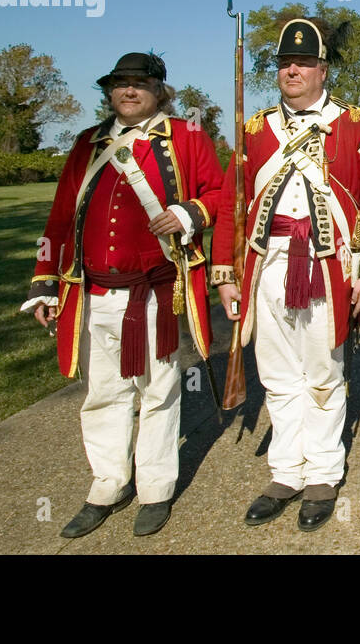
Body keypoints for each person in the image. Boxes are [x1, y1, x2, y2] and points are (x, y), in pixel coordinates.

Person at [22, 52, 224, 538]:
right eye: (120, 84)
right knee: (102, 394)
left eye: (140, 83)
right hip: (92, 292)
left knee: (158, 392)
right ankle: (108, 484)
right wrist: (46, 281)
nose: (129, 91)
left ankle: (155, 489)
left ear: (160, 91)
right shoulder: (86, 144)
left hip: (157, 292)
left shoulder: (188, 138)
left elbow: (221, 193)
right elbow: (59, 218)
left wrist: (188, 214)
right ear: (110, 92)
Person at [213, 17, 360, 533]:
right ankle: (285, 473)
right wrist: (227, 274)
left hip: (327, 265)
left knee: (323, 373)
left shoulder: (355, 125)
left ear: (322, 69)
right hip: (266, 267)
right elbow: (232, 204)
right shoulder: (254, 128)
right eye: (285, 63)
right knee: (277, 374)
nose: (292, 70)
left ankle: (323, 474)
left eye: (304, 62)